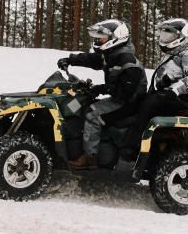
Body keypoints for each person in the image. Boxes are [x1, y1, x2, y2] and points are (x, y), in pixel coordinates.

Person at [57, 19, 147, 170]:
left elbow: (124, 92)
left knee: (93, 115)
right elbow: (93, 59)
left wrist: (100, 89)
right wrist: (70, 59)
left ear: (116, 37)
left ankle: (90, 158)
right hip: (123, 98)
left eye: (102, 37)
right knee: (87, 103)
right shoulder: (112, 54)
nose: (98, 40)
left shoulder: (127, 61)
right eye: (98, 37)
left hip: (129, 103)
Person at [117, 18, 188, 166]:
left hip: (179, 98)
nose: (165, 39)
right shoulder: (175, 51)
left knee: (147, 106)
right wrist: (166, 82)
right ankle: (122, 136)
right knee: (138, 101)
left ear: (182, 36)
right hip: (167, 93)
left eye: (169, 36)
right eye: (163, 35)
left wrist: (174, 89)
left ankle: (132, 147)